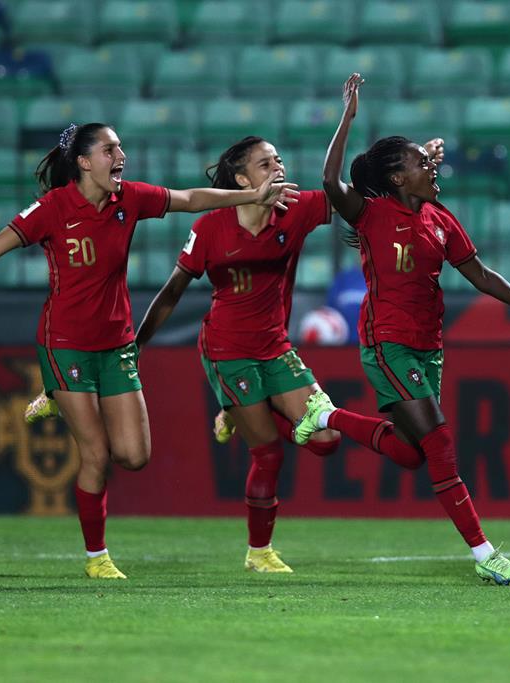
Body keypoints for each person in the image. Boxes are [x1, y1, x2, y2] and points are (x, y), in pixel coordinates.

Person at [0, 122, 298, 579]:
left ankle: (55, 397)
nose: (121, 156)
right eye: (110, 149)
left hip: (116, 343)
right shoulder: (53, 208)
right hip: (66, 345)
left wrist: (249, 197)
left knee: (134, 456)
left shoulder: (129, 199)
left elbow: (190, 199)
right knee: (95, 454)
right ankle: (97, 558)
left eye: (120, 148)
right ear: (82, 161)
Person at [308, 73, 510, 585]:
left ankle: (329, 415)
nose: (432, 166)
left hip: (428, 349)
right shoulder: (371, 214)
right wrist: (348, 117)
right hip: (387, 344)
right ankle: (485, 554)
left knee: (411, 453)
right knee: (441, 442)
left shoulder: (439, 218)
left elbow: (480, 275)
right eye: (418, 162)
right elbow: (328, 182)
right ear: (396, 178)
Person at [132, 135, 436, 573]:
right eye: (264, 163)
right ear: (241, 179)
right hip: (227, 350)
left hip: (276, 348)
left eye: (278, 160)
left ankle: (240, 409)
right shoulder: (211, 226)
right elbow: (172, 292)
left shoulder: (296, 209)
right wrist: (138, 345)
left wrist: (409, 167)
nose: (278, 168)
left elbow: (357, 200)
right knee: (269, 454)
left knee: (326, 441)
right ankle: (259, 553)